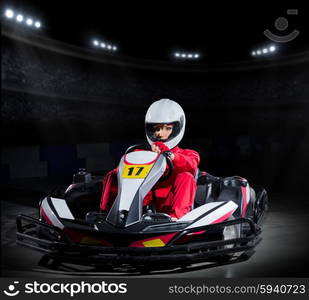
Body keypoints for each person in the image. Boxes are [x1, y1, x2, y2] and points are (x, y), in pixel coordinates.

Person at [100, 99, 200, 220]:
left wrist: (169, 155)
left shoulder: (187, 154)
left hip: (169, 205)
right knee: (114, 175)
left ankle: (177, 218)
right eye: (157, 129)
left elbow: (191, 165)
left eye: (167, 128)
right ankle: (107, 214)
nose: (160, 133)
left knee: (186, 176)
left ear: (177, 128)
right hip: (141, 204)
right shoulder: (140, 153)